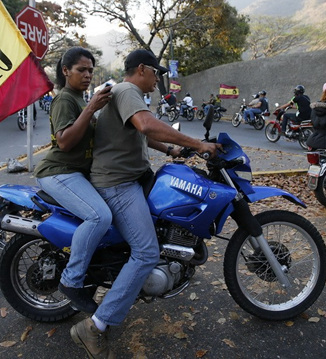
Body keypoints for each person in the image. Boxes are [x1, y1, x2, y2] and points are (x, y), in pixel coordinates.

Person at [70, 49, 220, 358]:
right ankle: (95, 326)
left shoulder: (126, 93)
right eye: (156, 73)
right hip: (118, 184)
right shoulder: (127, 90)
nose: (158, 79)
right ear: (142, 69)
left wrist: (171, 151)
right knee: (147, 252)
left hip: (132, 178)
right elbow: (146, 125)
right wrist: (198, 144)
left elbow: (140, 133)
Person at [33, 47, 114, 314]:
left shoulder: (80, 98)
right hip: (59, 172)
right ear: (66, 71)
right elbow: (65, 142)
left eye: (90, 70)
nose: (87, 75)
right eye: (81, 70)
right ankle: (71, 280)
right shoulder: (65, 99)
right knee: (99, 217)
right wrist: (91, 109)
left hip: (77, 173)